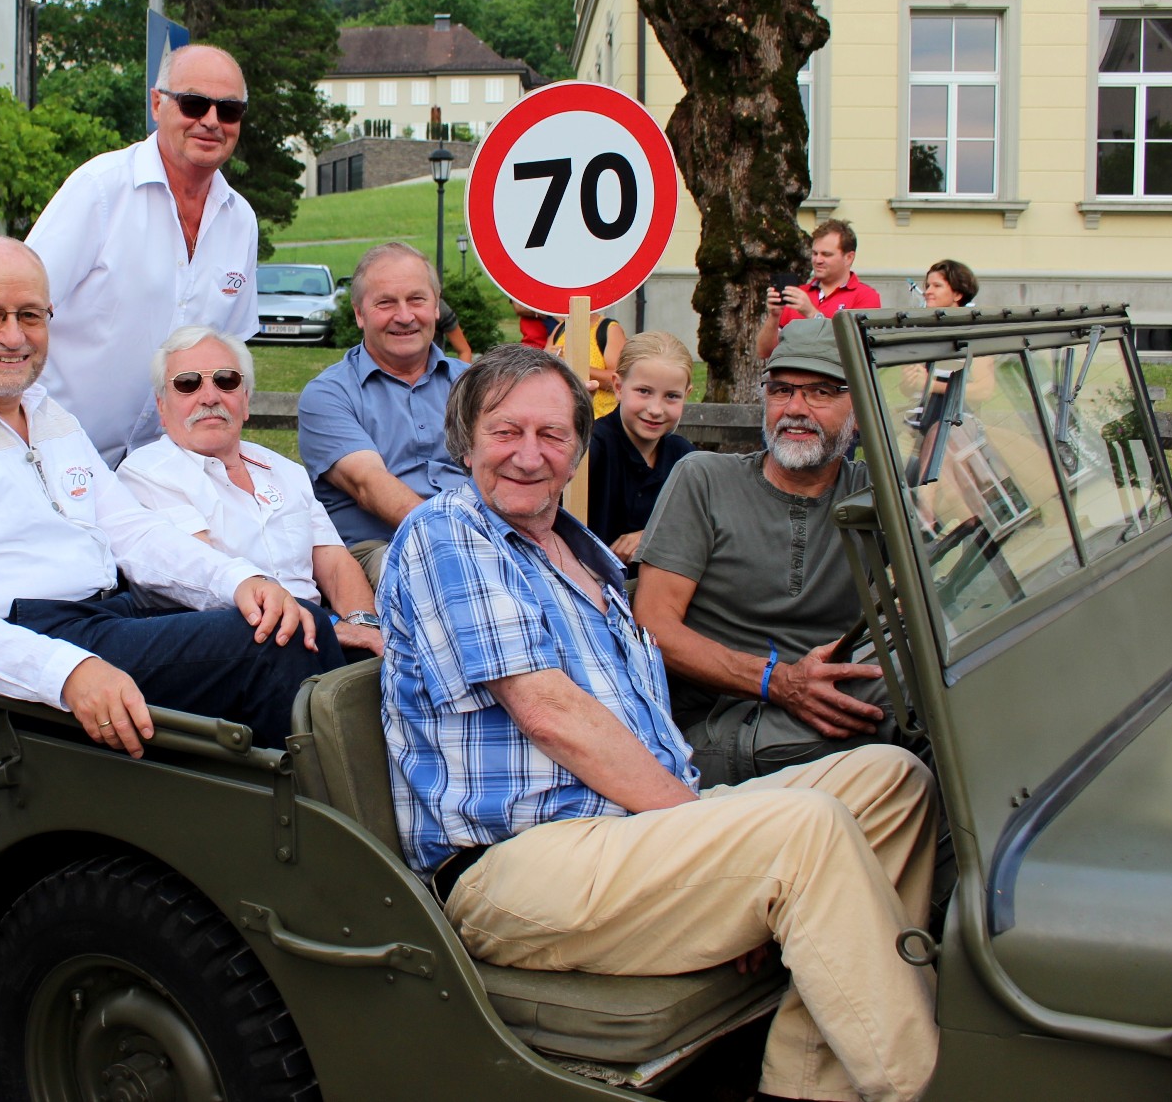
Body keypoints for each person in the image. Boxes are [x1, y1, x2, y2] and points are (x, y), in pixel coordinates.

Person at [379, 346, 939, 1102]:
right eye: (505, 432)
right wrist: (710, 839)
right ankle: (914, 1084)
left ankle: (813, 1085)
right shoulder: (449, 530)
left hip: (628, 834)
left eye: (551, 435)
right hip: (516, 864)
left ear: (579, 447)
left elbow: (644, 728)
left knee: (892, 779)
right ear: (465, 441)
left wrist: (708, 849)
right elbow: (551, 713)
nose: (528, 455)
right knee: (804, 828)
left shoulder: (582, 554)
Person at [0, 236, 338, 752]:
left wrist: (239, 581)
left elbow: (132, 532)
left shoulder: (48, 416)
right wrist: (69, 671)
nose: (13, 336)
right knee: (280, 644)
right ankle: (319, 800)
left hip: (108, 616)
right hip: (30, 641)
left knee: (293, 619)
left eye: (31, 316)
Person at [633, 316, 904, 786]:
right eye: (781, 391)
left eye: (821, 392)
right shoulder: (705, 479)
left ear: (861, 408)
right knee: (906, 699)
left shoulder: (877, 494)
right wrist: (778, 681)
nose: (795, 408)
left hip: (831, 707)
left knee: (937, 676)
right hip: (720, 727)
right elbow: (653, 625)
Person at [27, 44, 259, 467]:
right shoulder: (100, 189)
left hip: (165, 469)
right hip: (57, 456)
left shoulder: (240, 219)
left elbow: (229, 348)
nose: (211, 121)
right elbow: (20, 309)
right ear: (157, 103)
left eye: (228, 110)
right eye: (193, 104)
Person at [118, 326, 384, 656]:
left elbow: (335, 563)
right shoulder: (148, 473)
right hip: (237, 647)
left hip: (323, 636)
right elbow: (207, 580)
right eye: (187, 383)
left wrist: (364, 627)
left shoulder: (285, 470)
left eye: (226, 380)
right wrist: (332, 628)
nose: (210, 397)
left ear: (245, 400)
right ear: (161, 407)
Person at [297, 242, 470, 586]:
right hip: (378, 548)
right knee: (440, 577)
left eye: (417, 300)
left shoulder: (473, 385)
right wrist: (458, 542)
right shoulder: (329, 394)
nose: (404, 316)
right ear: (360, 314)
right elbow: (369, 485)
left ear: (436, 306)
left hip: (479, 538)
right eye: (385, 303)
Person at [586, 331, 696, 570]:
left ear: (686, 395)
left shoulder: (685, 459)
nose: (655, 409)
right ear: (618, 387)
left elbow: (707, 523)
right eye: (644, 391)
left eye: (671, 396)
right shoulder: (592, 447)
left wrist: (655, 535)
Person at [756, 218, 882, 360]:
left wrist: (812, 314)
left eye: (826, 254)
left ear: (848, 257)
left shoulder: (865, 296)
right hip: (791, 372)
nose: (817, 260)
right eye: (815, 253)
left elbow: (856, 349)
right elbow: (763, 352)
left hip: (834, 373)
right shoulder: (798, 294)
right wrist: (774, 316)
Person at [547, 308, 627, 420]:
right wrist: (548, 359)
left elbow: (620, 379)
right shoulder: (560, 328)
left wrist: (573, 366)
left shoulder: (609, 329)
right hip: (565, 418)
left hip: (599, 420)